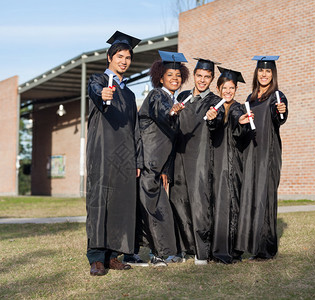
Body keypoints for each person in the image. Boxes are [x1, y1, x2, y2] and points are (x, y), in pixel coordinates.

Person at [85, 31, 143, 276]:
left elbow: (136, 130)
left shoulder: (129, 94)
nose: (124, 61)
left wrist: (138, 160)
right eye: (120, 56)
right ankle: (97, 257)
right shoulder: (98, 81)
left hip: (125, 158)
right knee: (99, 203)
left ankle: (112, 255)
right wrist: (103, 94)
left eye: (128, 57)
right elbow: (95, 92)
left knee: (120, 204)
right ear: (110, 57)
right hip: (102, 153)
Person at [138, 50, 189, 267]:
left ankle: (166, 251)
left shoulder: (170, 98)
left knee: (160, 207)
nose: (175, 79)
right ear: (160, 77)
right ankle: (157, 253)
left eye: (178, 76)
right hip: (148, 162)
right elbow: (162, 113)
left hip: (157, 165)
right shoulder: (157, 96)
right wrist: (172, 113)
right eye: (170, 75)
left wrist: (166, 167)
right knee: (152, 208)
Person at [170, 58, 222, 265]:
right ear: (194, 75)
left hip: (200, 156)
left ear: (212, 78)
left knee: (200, 203)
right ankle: (184, 248)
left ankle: (202, 250)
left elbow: (217, 126)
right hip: (179, 155)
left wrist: (214, 118)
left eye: (207, 77)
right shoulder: (183, 96)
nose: (202, 80)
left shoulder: (214, 101)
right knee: (179, 200)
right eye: (199, 75)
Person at [235, 56, 288, 260]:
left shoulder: (277, 96)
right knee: (251, 196)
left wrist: (281, 112)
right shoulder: (251, 97)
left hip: (268, 154)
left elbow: (280, 117)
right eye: (261, 71)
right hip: (252, 152)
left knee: (265, 198)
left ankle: (266, 249)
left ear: (273, 74)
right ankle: (251, 245)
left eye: (268, 72)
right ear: (256, 74)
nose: (264, 74)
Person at [207, 67, 250, 264]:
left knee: (232, 203)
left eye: (232, 88)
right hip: (215, 162)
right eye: (225, 87)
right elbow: (211, 125)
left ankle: (232, 250)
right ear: (218, 88)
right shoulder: (213, 106)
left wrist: (241, 122)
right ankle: (215, 248)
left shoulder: (239, 108)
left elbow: (238, 124)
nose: (228, 91)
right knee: (215, 203)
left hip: (233, 163)